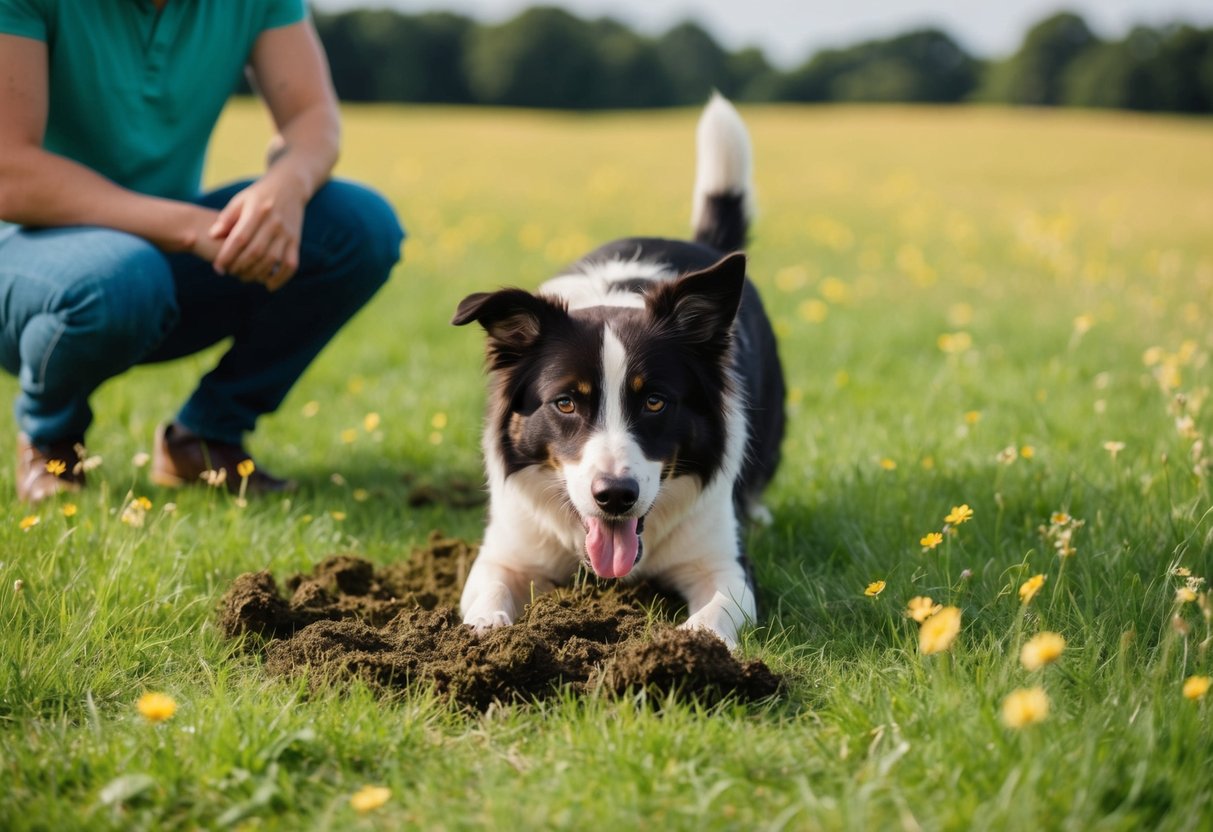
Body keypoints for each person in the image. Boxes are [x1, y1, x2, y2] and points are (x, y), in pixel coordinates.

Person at [0, 1, 404, 503]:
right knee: (122, 276)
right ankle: (51, 442)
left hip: (156, 256)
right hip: (25, 257)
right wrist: (188, 227)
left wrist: (287, 185)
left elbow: (311, 116)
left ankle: (204, 439)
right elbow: (8, 171)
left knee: (358, 227)